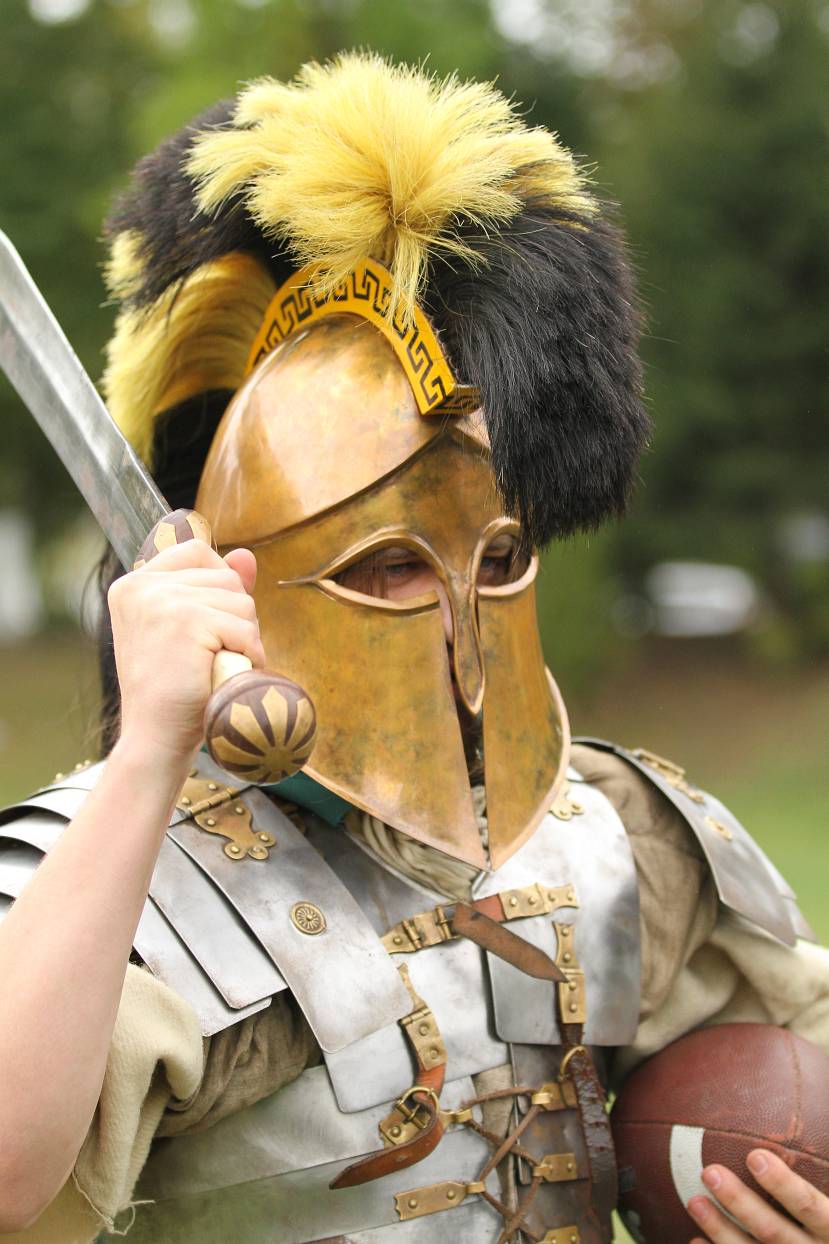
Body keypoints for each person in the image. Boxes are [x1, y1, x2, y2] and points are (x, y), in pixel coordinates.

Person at [0, 53, 827, 1244]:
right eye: (387, 564)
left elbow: (795, 1059)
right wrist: (145, 765)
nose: (454, 623)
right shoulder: (118, 876)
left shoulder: (616, 837)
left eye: (497, 556)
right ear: (241, 578)